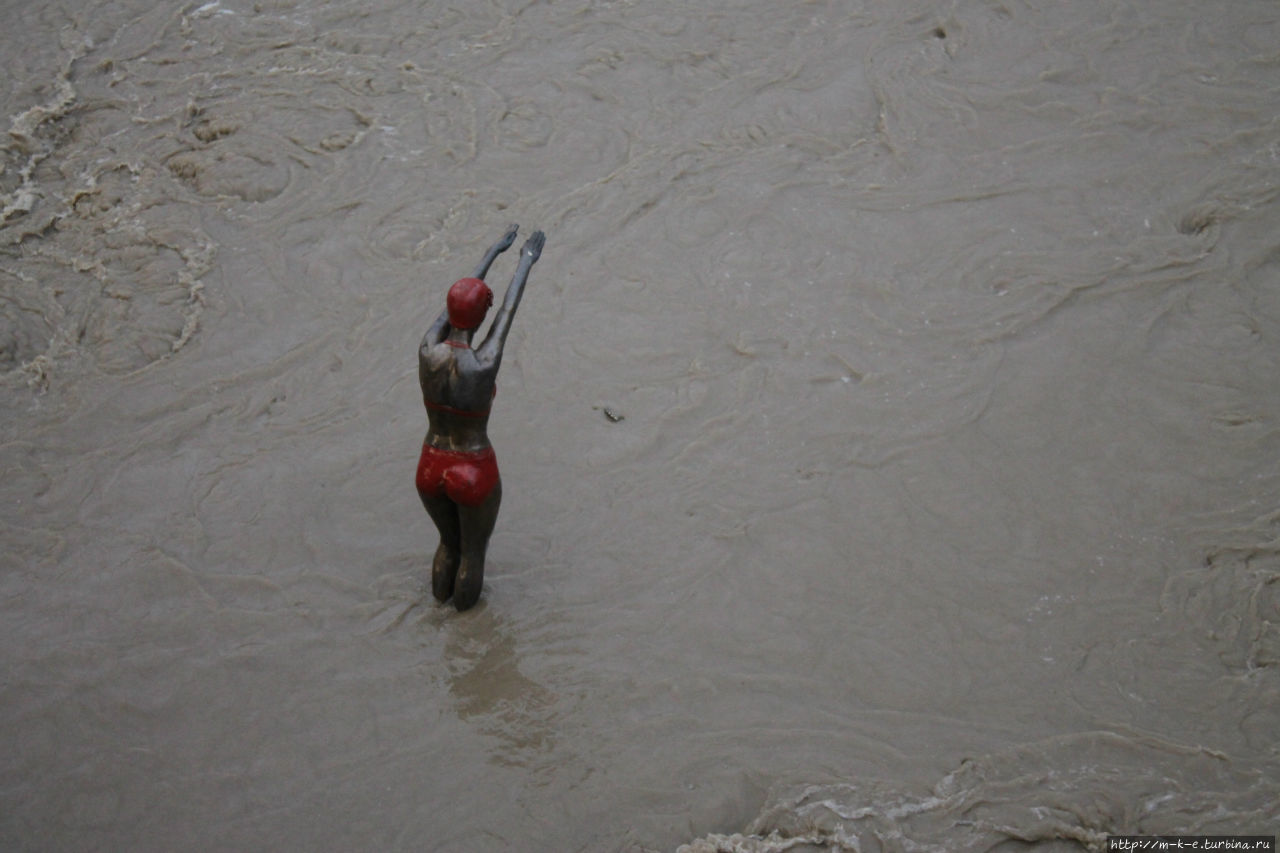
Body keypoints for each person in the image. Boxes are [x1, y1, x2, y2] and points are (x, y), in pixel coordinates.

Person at [416, 224, 545, 610]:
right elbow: (508, 310)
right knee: (473, 553)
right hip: (472, 467)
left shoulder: (427, 350)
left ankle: (437, 615)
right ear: (480, 315)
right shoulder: (483, 363)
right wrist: (525, 260)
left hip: (430, 463)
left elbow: (449, 309)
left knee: (447, 544)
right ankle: (466, 636)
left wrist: (491, 253)